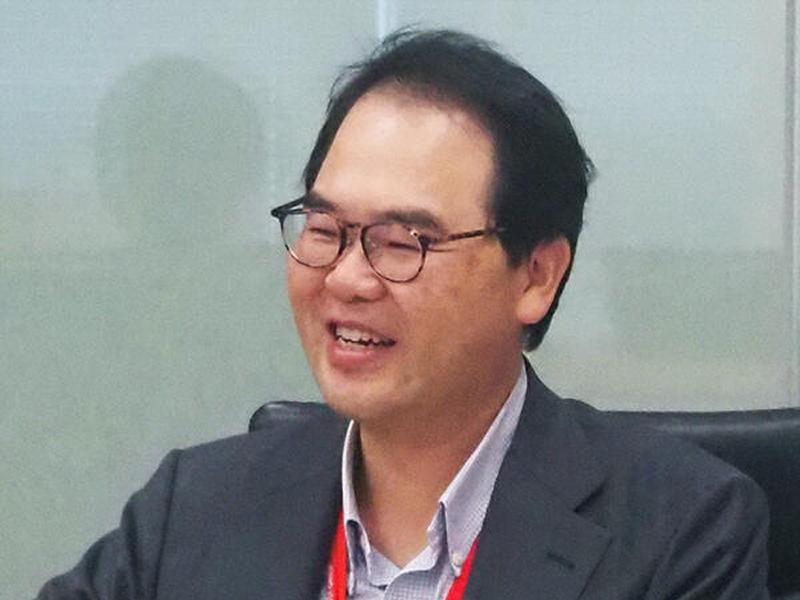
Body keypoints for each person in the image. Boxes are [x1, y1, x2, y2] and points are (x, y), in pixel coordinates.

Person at [39, 29, 770, 599]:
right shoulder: (195, 508)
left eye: (402, 242)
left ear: (536, 275)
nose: (347, 278)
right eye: (324, 230)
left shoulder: (683, 533)